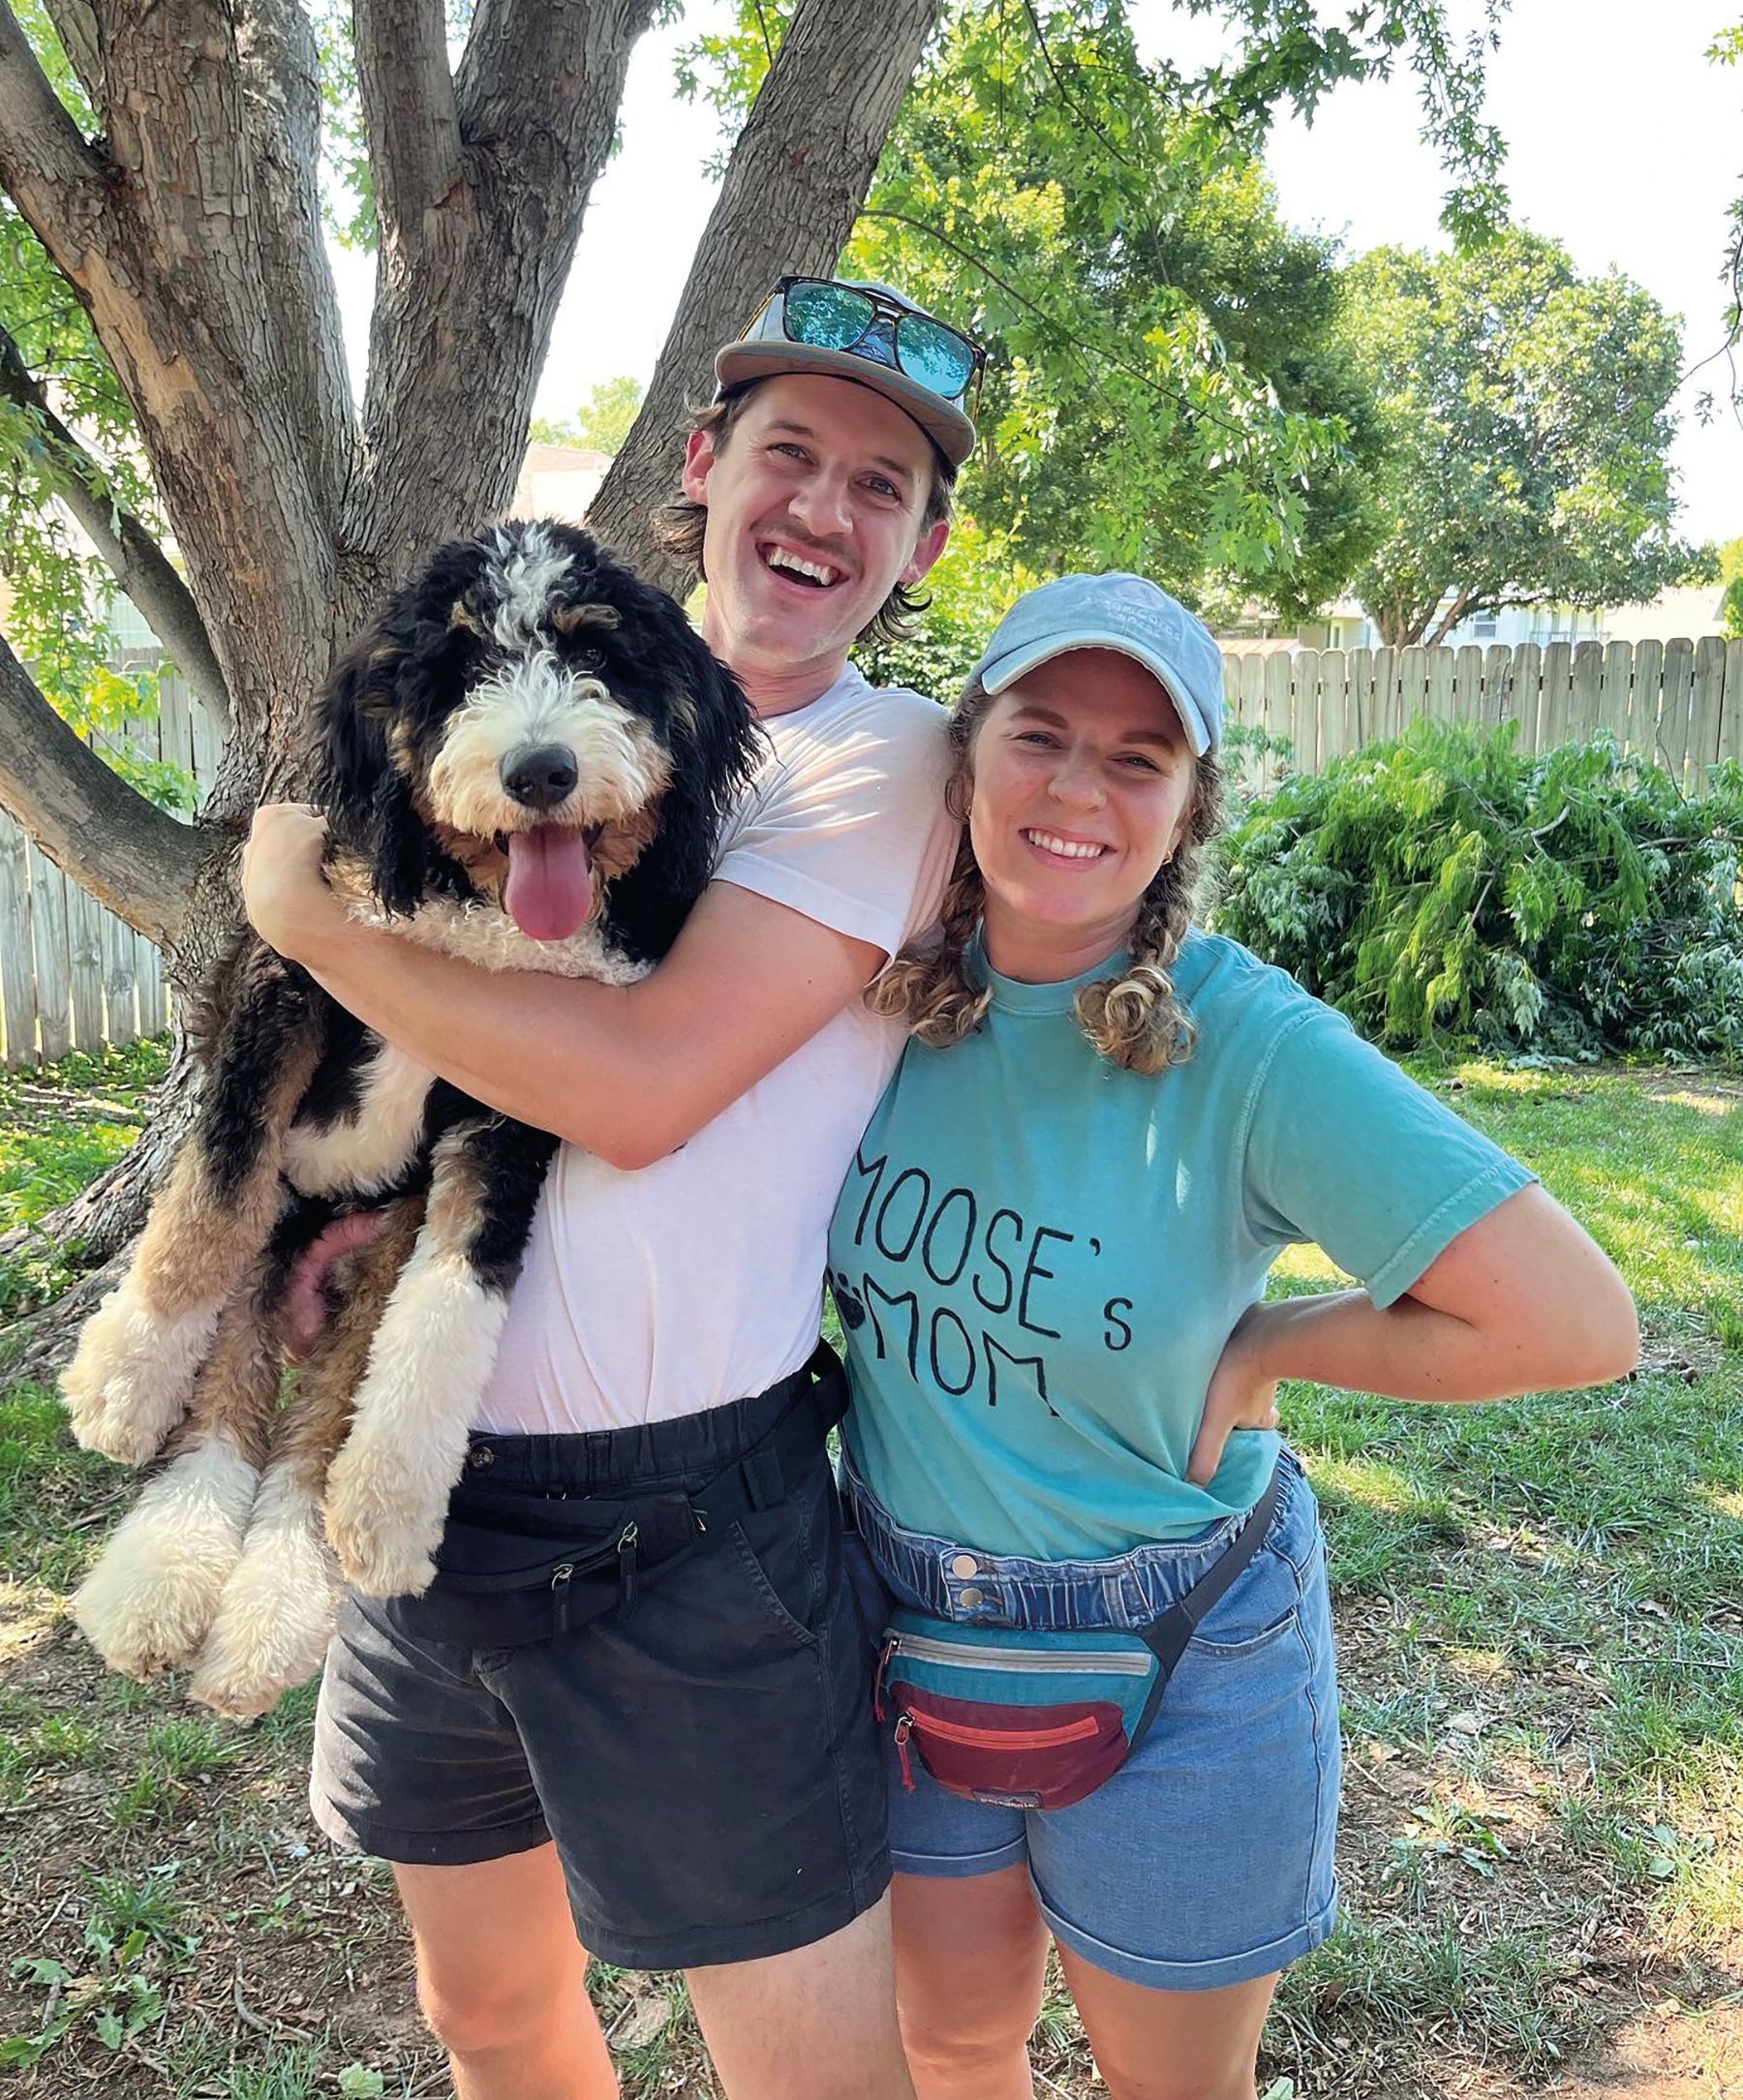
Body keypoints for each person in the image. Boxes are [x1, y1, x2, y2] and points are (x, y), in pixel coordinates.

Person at [239, 277, 989, 2100]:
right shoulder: (514, 724)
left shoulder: (881, 762)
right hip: (428, 1473)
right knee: (488, 2011)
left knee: (812, 2078)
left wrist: (310, 923)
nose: (823, 508)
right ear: (703, 463)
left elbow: (639, 1089)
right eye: (790, 452)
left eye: (880, 485)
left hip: (687, 1532)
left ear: (923, 545)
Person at [826, 572, 1640, 2100]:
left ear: (1188, 808)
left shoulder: (1244, 1044)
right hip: (900, 1620)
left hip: (1181, 1646)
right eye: (1039, 735)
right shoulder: (867, 992)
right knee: (951, 2044)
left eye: (1137, 758)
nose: (1079, 790)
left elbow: (1576, 1318)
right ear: (967, 752)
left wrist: (1270, 1344)